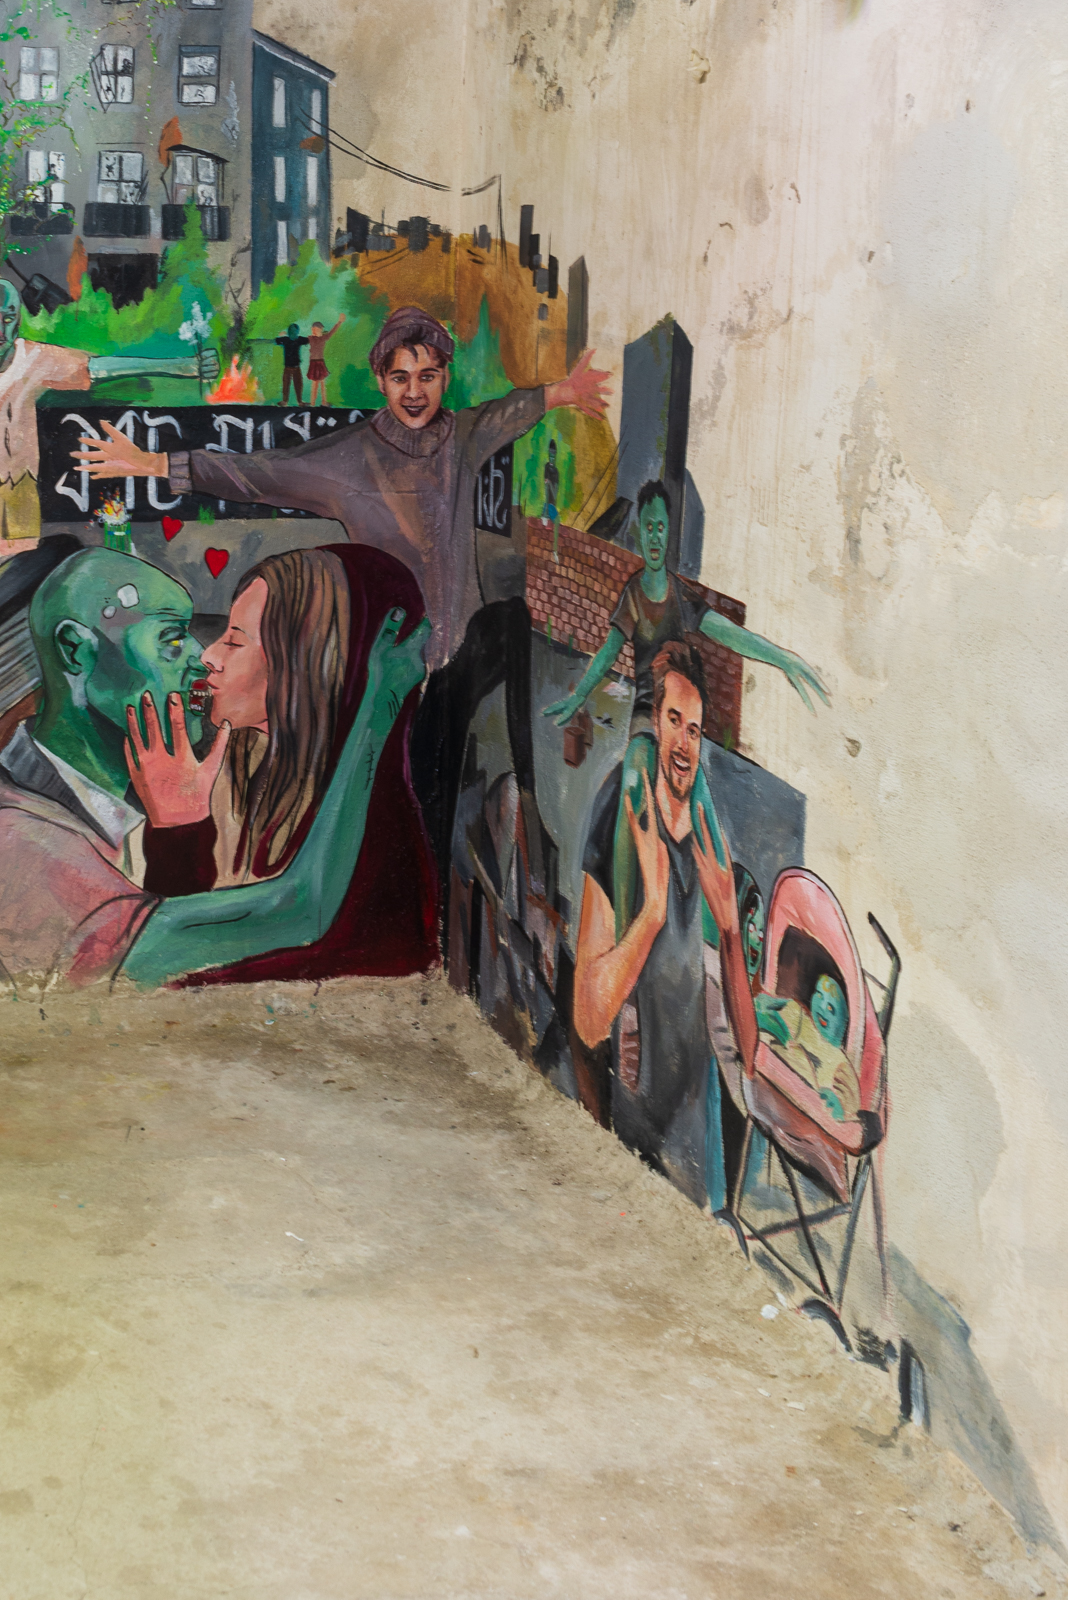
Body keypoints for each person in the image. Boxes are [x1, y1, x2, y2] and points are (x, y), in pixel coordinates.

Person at [72, 303, 611, 922]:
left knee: (461, 786)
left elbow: (507, 413)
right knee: (393, 794)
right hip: (389, 663)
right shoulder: (352, 456)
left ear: (445, 377)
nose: (415, 392)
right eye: (401, 377)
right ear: (381, 380)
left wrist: (563, 392)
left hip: (460, 663)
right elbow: (259, 474)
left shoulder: (462, 438)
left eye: (428, 376)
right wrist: (153, 465)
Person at [0, 547, 429, 989]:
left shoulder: (200, 785)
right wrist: (376, 714)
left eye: (232, 640)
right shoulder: (18, 837)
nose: (202, 655)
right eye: (172, 638)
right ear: (75, 650)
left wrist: (179, 829)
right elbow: (274, 924)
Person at [132, 543, 439, 981]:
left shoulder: (365, 796)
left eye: (234, 641)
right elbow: (191, 932)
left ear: (307, 661)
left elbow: (298, 918)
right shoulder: (240, 765)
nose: (209, 656)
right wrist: (179, 828)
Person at [544, 479, 829, 941]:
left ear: (668, 533)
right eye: (648, 527)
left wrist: (782, 659)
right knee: (634, 781)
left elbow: (730, 634)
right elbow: (607, 653)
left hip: (680, 718)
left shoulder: (679, 596)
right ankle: (624, 922)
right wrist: (578, 697)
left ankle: (725, 933)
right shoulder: (634, 595)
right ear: (639, 532)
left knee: (704, 812)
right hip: (646, 716)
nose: (655, 536)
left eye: (662, 527)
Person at [573, 641, 738, 1203]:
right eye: (674, 721)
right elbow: (589, 1017)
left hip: (697, 1115)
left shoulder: (710, 834)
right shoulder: (617, 810)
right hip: (635, 1120)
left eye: (695, 730)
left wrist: (732, 933)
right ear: (653, 723)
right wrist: (652, 912)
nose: (685, 743)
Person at [0, 277, 220, 550]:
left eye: (7, 319)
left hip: (19, 487)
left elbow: (99, 368)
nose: (1, 332)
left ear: (19, 321)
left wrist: (184, 367)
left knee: (19, 562)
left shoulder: (32, 358)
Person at [307, 314, 345, 405]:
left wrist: (339, 322)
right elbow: (300, 340)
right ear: (313, 330)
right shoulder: (310, 338)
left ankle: (324, 402)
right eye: (317, 330)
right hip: (313, 363)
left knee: (322, 383)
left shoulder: (323, 338)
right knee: (315, 384)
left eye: (320, 330)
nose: (319, 332)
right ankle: (312, 403)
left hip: (320, 362)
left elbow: (331, 332)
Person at [275, 321, 309, 404]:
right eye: (291, 330)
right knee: (286, 384)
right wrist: (255, 341)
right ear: (288, 331)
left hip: (296, 367)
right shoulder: (285, 340)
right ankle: (285, 401)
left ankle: (300, 401)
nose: (292, 332)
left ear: (297, 332)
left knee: (298, 384)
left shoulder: (300, 339)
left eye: (294, 331)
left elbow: (312, 340)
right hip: (287, 367)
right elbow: (272, 341)